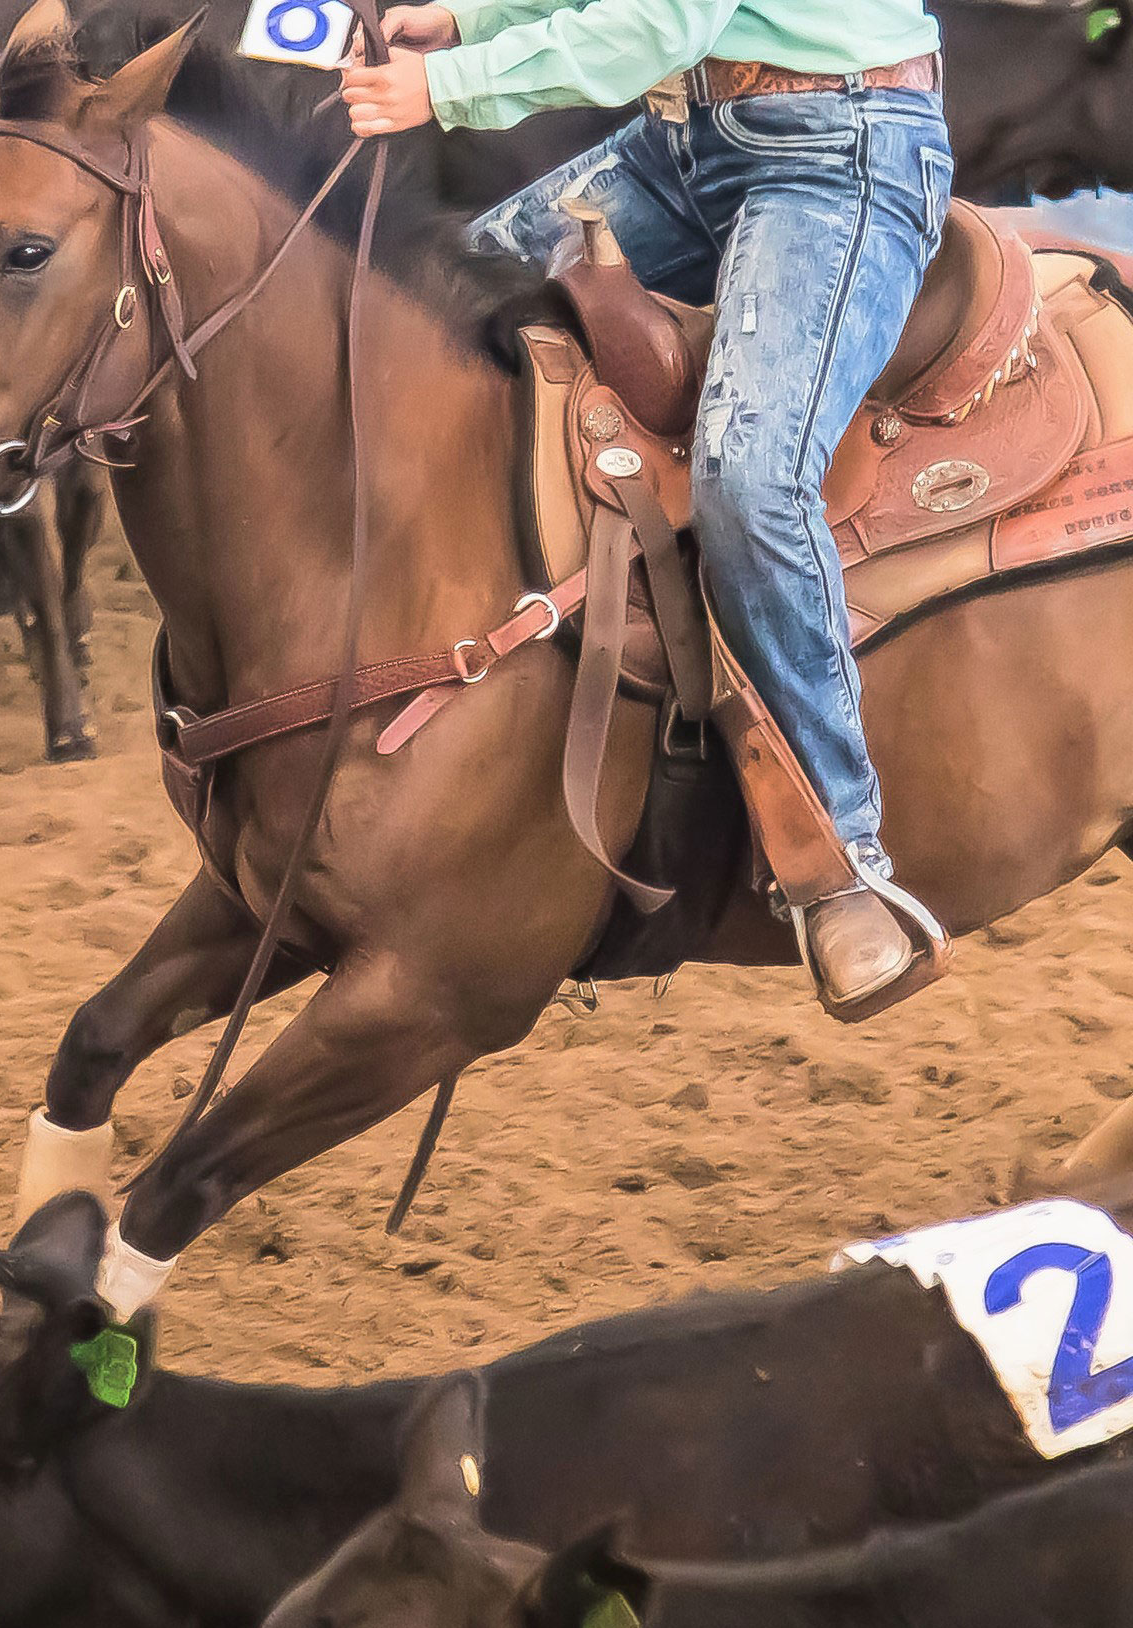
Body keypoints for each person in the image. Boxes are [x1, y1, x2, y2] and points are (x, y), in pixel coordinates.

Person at [341, 0, 952, 1014]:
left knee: (750, 475)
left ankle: (842, 858)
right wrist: (467, 18)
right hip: (686, 142)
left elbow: (662, 23)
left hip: (839, 151)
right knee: (441, 305)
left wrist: (446, 87)